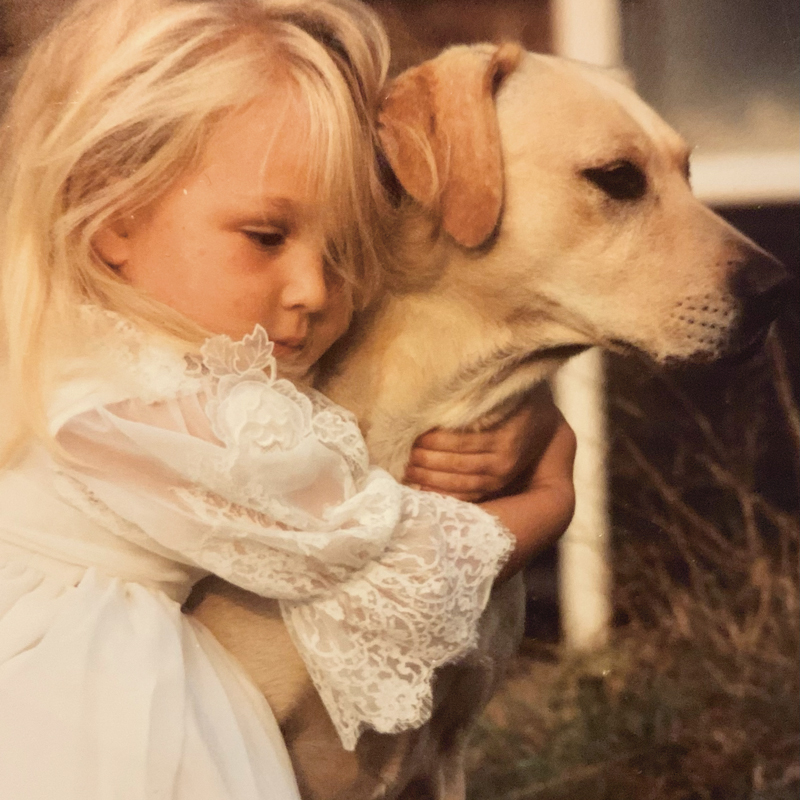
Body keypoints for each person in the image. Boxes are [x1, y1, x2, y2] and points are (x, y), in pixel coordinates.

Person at [0, 0, 576, 797]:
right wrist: (553, 496)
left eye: (342, 252)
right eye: (266, 238)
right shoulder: (152, 412)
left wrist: (532, 414)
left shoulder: (68, 339)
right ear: (113, 215)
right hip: (90, 723)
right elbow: (385, 560)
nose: (314, 290)